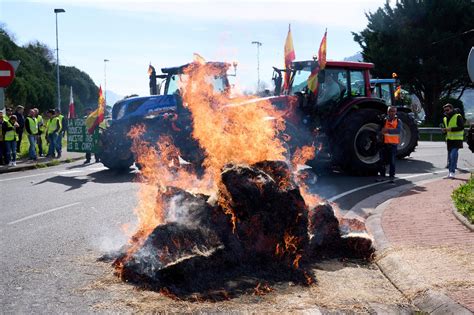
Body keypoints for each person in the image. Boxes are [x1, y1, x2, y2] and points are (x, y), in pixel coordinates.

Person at [377, 106, 401, 183]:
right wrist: (380, 133)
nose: (392, 113)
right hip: (383, 144)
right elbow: (379, 130)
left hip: (393, 144)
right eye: (390, 111)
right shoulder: (384, 120)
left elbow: (398, 131)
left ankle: (391, 177)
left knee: (392, 162)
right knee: (382, 161)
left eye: (393, 111)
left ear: (395, 112)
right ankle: (382, 176)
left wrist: (387, 130)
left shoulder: (398, 121)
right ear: (388, 112)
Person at [441, 103, 464, 179]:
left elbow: (461, 127)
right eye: (445, 110)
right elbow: (446, 129)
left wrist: (451, 129)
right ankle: (451, 171)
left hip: (457, 140)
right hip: (449, 140)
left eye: (447, 110)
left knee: (452, 155)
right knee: (451, 157)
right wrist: (444, 131)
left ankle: (452, 172)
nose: (446, 111)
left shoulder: (458, 116)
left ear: (451, 109)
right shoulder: (445, 118)